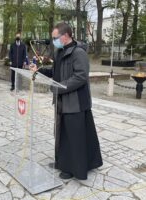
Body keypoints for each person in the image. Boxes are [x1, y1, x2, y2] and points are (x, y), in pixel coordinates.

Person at [31, 22, 103, 180]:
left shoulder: (79, 53)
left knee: (74, 136)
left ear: (65, 36)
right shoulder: (59, 52)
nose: (53, 41)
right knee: (62, 134)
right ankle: (62, 162)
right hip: (61, 101)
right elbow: (55, 73)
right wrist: (40, 71)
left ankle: (74, 169)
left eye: (55, 38)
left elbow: (81, 76)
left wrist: (59, 87)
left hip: (76, 102)